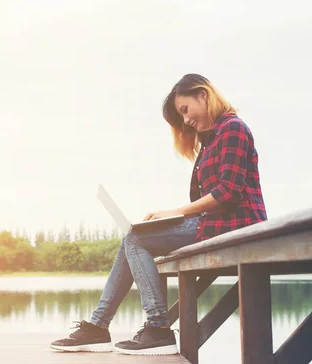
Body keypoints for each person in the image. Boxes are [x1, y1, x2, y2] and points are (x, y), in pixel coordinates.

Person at [50, 73, 267, 355]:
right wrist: (174, 218)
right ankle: (99, 327)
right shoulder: (213, 138)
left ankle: (156, 328)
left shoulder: (233, 128)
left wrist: (177, 212)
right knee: (133, 237)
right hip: (216, 223)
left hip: (237, 227)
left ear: (203, 95)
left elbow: (229, 191)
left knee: (136, 239)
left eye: (185, 111)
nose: (186, 121)